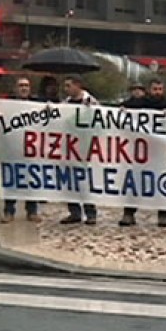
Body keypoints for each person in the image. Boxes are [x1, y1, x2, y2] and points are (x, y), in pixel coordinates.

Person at [120, 79, 166, 227]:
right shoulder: (140, 102)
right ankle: (128, 214)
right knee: (135, 182)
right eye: (155, 89)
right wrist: (123, 109)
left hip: (160, 152)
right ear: (150, 89)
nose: (157, 92)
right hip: (141, 152)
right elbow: (124, 106)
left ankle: (163, 215)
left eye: (160, 89)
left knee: (162, 183)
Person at [60, 75, 99, 225]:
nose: (66, 89)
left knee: (84, 181)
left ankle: (90, 213)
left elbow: (100, 122)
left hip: (85, 146)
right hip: (69, 147)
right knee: (69, 180)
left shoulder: (91, 102)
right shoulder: (66, 103)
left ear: (77, 86)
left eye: (68, 86)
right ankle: (74, 212)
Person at [0, 77, 40, 223]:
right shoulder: (7, 105)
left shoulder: (36, 104)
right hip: (12, 149)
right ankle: (9, 211)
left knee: (31, 181)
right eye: (21, 85)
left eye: (26, 86)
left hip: (31, 150)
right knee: (11, 181)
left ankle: (32, 211)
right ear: (16, 88)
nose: (24, 88)